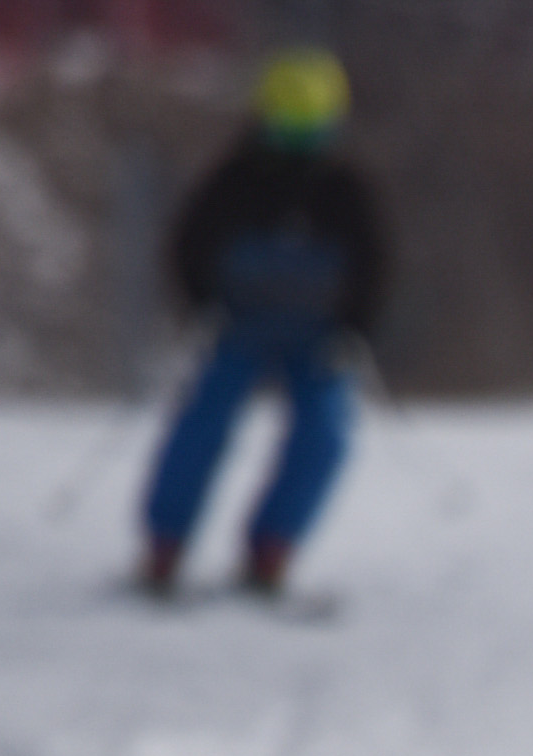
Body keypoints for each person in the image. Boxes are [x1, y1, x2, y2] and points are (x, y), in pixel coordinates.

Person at [137, 48, 386, 603]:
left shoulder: (344, 188)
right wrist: (202, 305)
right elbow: (189, 245)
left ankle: (271, 551)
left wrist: (354, 328)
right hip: (239, 328)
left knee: (323, 435)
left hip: (319, 338)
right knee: (202, 426)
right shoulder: (234, 180)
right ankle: (164, 547)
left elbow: (372, 263)